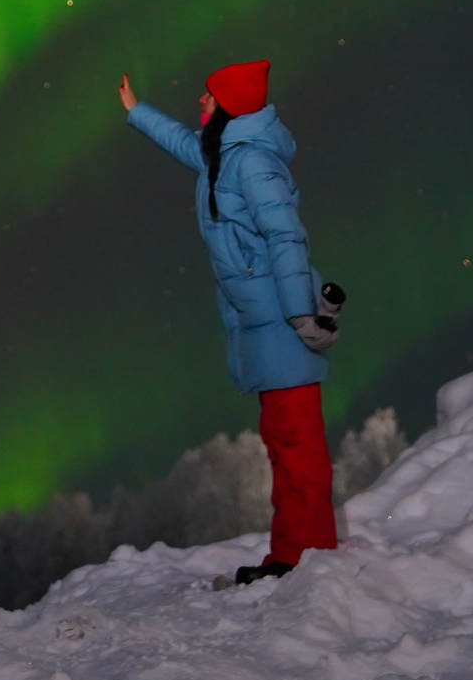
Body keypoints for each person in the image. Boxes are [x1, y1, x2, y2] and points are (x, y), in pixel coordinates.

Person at [118, 60, 345, 584]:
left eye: (209, 95)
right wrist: (137, 111)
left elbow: (286, 237)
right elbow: (184, 143)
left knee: (297, 447)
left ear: (231, 107)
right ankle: (292, 553)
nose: (200, 100)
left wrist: (298, 315)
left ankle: (304, 558)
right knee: (283, 442)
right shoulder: (225, 154)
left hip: (281, 321)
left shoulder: (253, 165)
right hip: (263, 321)